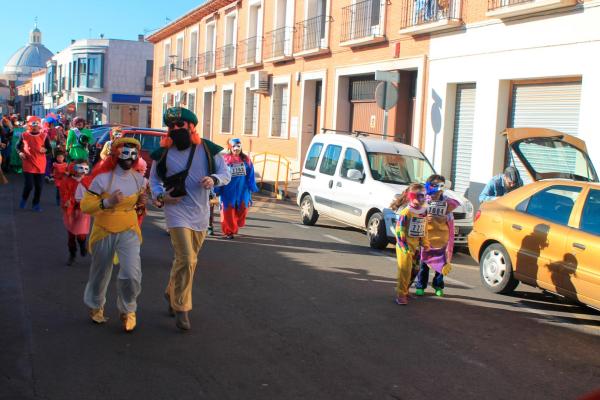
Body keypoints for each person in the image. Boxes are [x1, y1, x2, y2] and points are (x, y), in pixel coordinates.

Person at [150, 107, 230, 331]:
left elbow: (226, 173)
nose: (176, 130)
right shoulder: (162, 154)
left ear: (191, 127)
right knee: (187, 258)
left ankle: (170, 292)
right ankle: (182, 307)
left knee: (186, 259)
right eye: (171, 126)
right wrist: (160, 195)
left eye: (180, 125)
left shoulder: (208, 149)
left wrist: (213, 179)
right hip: (175, 211)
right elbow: (154, 181)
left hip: (200, 212)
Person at [80, 137, 147, 332]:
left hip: (129, 230)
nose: (129, 157)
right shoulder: (101, 179)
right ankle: (95, 305)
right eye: (125, 152)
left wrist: (142, 201)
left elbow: (140, 205)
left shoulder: (139, 180)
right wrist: (108, 202)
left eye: (133, 153)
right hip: (104, 230)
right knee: (100, 272)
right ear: (115, 154)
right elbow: (85, 206)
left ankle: (128, 310)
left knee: (132, 273)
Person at [416, 175, 459, 297]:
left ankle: (438, 286)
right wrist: (424, 218)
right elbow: (417, 216)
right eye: (434, 186)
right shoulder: (423, 201)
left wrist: (445, 217)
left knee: (441, 266)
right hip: (427, 239)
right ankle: (420, 286)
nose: (437, 189)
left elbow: (450, 223)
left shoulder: (447, 203)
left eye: (441, 186)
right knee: (423, 264)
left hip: (442, 239)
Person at [391, 183, 427, 305]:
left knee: (415, 270)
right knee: (404, 270)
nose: (422, 199)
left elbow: (423, 228)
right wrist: (403, 245)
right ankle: (401, 294)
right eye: (420, 196)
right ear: (412, 196)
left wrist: (425, 243)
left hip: (416, 247)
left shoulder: (423, 212)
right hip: (405, 247)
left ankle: (406, 290)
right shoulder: (406, 212)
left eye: (424, 196)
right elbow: (399, 230)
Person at [215, 138, 258, 239]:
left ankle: (236, 223)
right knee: (228, 211)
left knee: (242, 209)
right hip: (228, 189)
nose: (236, 148)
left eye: (238, 146)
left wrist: (251, 186)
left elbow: (250, 174)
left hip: (242, 189)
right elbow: (219, 173)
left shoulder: (246, 160)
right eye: (234, 146)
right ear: (230, 147)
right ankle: (229, 231)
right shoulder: (224, 160)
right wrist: (217, 189)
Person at [59, 160, 92, 265]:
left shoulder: (89, 180)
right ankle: (72, 254)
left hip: (84, 210)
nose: (83, 171)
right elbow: (64, 194)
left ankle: (82, 244)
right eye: (80, 168)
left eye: (86, 168)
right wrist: (66, 201)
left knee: (81, 233)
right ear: (73, 168)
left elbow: (95, 193)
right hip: (71, 210)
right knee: (71, 234)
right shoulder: (66, 181)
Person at [17, 116, 52, 211]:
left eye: (36, 124)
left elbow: (49, 150)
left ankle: (35, 204)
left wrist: (45, 149)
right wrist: (20, 152)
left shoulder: (44, 136)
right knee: (29, 185)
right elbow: (18, 146)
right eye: (32, 124)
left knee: (39, 186)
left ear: (39, 125)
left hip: (40, 164)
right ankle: (24, 199)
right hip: (28, 163)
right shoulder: (24, 135)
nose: (34, 126)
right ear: (29, 125)